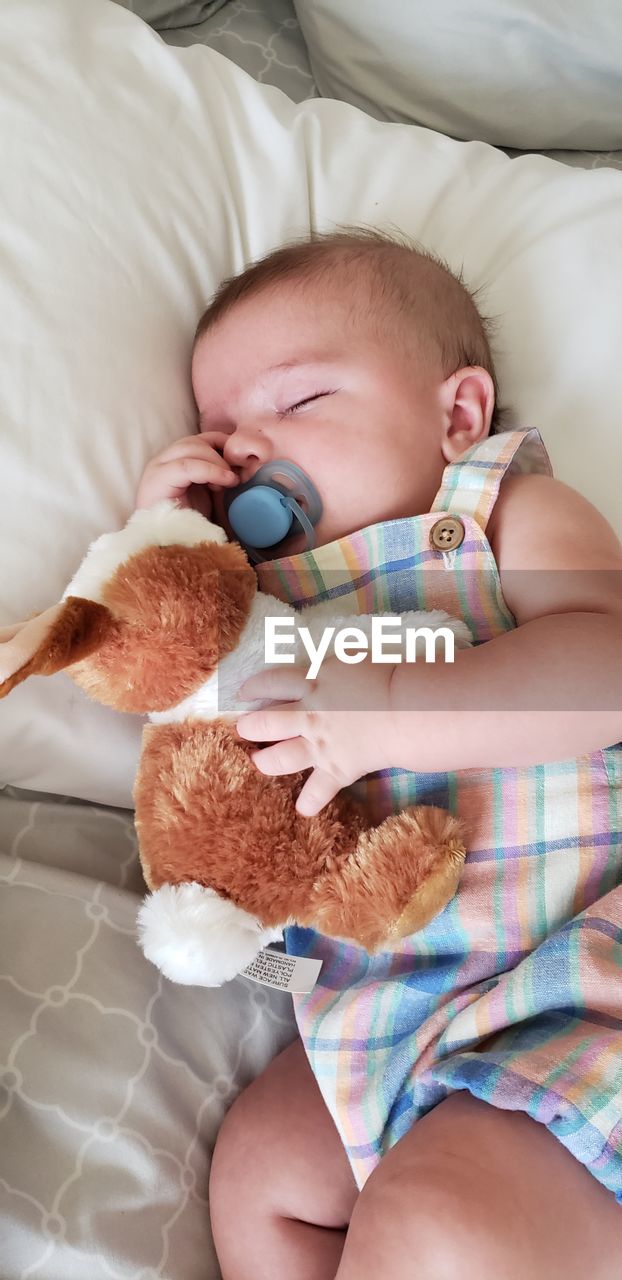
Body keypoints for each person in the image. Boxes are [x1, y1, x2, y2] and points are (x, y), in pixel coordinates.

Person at [136, 229, 622, 1279]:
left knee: (439, 1220)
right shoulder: (262, 608)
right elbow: (188, 760)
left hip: (575, 972)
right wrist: (165, 555)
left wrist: (394, 712)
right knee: (262, 1167)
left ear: (456, 415)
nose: (248, 450)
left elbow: (605, 667)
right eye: (220, 438)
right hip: (388, 1009)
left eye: (298, 403)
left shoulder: (501, 514)